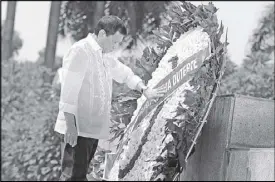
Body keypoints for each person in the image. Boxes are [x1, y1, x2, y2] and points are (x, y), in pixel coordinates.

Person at [54, 15, 166, 181]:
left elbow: (124, 73)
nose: (115, 47)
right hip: (77, 128)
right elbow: (69, 90)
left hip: (91, 130)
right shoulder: (80, 50)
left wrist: (144, 89)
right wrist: (70, 126)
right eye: (114, 42)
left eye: (118, 43)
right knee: (72, 177)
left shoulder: (105, 56)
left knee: (79, 176)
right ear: (101, 34)